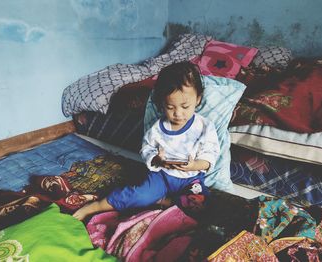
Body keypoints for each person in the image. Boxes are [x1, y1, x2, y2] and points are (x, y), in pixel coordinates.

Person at [73, 61, 220, 221]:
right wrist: (157, 159)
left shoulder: (205, 127)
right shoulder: (158, 128)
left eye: (185, 106)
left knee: (202, 207)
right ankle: (95, 206)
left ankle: (164, 201)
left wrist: (194, 165)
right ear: (162, 104)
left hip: (191, 179)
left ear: (198, 99)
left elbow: (209, 157)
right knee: (138, 196)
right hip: (161, 176)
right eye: (170, 107)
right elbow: (146, 150)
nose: (178, 113)